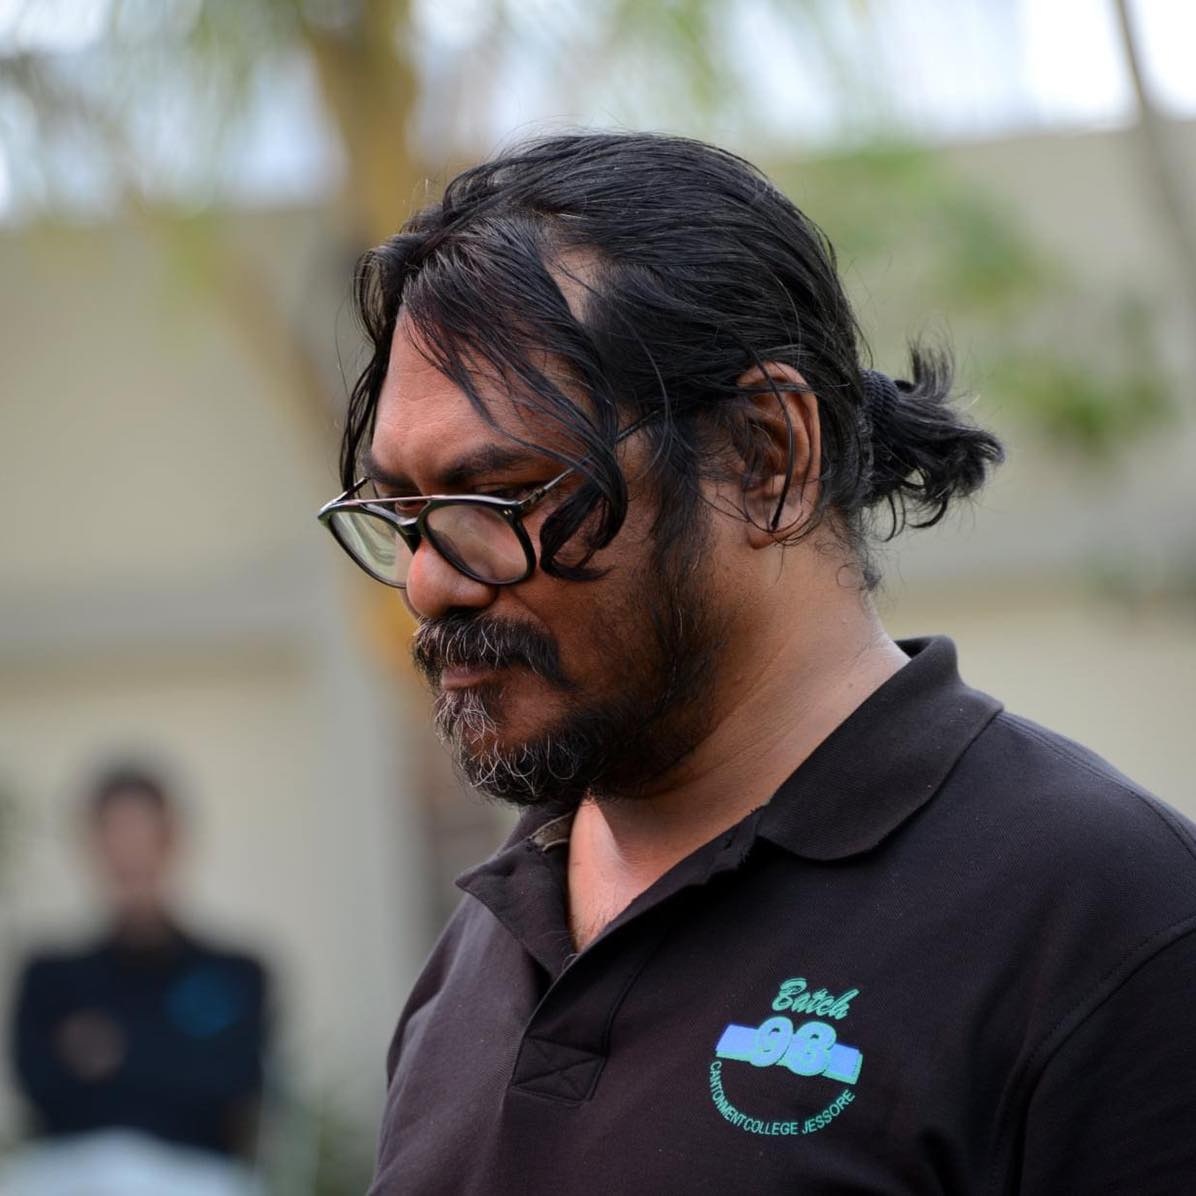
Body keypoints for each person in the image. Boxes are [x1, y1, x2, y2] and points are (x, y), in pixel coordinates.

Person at [316, 131, 1196, 1194]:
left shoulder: (1107, 920)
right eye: (404, 513)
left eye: (501, 495)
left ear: (766, 458)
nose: (429, 582)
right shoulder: (490, 937)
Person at [9, 765, 269, 1169]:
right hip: (73, 1174)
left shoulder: (236, 973)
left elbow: (234, 1085)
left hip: (194, 1175)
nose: (130, 854)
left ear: (171, 841)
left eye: (142, 836)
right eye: (116, 837)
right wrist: (178, 1053)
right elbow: (41, 1090)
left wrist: (110, 1050)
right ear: (94, 848)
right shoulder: (49, 975)